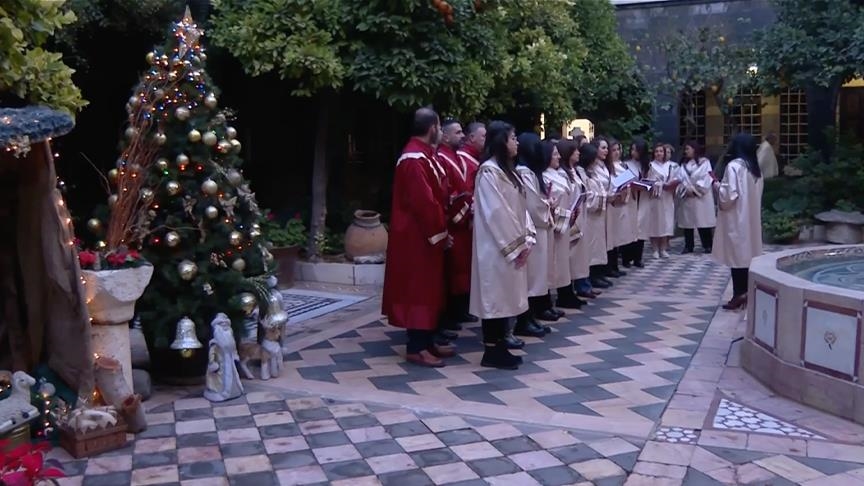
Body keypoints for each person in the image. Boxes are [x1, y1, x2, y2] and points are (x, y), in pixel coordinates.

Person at [382, 107, 454, 368]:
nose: (441, 131)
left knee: (431, 289)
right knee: (419, 290)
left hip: (426, 236)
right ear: (432, 128)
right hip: (417, 237)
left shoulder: (425, 155)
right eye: (439, 126)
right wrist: (440, 233)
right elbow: (424, 202)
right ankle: (416, 347)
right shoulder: (413, 159)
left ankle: (428, 340)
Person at [471, 121, 533, 370]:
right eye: (512, 138)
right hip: (496, 247)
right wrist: (517, 244)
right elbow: (497, 212)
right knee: (494, 298)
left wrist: (527, 237)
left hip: (511, 242)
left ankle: (501, 345)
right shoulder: (488, 172)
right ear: (500, 142)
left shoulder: (508, 171)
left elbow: (520, 207)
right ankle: (492, 350)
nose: (516, 143)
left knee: (505, 296)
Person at [713, 133, 764, 310]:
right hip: (751, 218)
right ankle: (746, 292)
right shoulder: (755, 169)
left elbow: (728, 196)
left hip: (737, 218)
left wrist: (717, 186)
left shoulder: (734, 167)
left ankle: (739, 293)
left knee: (736, 257)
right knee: (747, 256)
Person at [437, 118, 474, 339]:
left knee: (461, 268)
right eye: (458, 132)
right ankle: (448, 315)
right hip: (452, 222)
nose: (462, 136)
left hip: (463, 220)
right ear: (445, 135)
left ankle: (459, 310)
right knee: (450, 270)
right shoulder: (441, 158)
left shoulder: (455, 157)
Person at [515, 133, 555, 335]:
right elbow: (533, 204)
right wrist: (548, 205)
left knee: (537, 275)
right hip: (532, 229)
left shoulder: (530, 172)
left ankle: (531, 317)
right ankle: (524, 320)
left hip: (539, 229)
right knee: (530, 277)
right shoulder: (524, 173)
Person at [676, 141, 716, 254]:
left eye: (688, 149)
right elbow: (680, 179)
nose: (686, 151)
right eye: (685, 149)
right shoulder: (684, 165)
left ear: (694, 149)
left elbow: (706, 178)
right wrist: (686, 189)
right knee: (687, 222)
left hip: (701, 196)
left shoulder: (705, 162)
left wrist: (694, 190)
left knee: (703, 221)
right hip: (687, 196)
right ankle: (688, 246)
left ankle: (707, 245)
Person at [586, 138, 612, 289]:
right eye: (603, 148)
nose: (606, 151)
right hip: (593, 212)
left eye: (607, 148)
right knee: (593, 244)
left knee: (601, 243)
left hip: (602, 209)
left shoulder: (604, 167)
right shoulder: (590, 170)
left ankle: (600, 273)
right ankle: (593, 275)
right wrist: (606, 197)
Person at [645, 143, 679, 258]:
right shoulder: (650, 165)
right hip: (655, 197)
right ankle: (655, 249)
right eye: (656, 151)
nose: (659, 153)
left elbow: (676, 179)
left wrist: (671, 184)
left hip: (667, 197)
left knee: (666, 223)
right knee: (655, 223)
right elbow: (646, 180)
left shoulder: (670, 166)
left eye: (661, 151)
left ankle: (663, 248)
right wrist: (655, 184)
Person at [622, 138, 650, 268]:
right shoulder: (625, 165)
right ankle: (626, 259)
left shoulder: (646, 166)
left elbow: (652, 180)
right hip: (630, 198)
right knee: (628, 228)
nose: (633, 152)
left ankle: (638, 258)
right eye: (632, 149)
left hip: (642, 198)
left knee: (641, 229)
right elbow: (620, 181)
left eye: (636, 150)